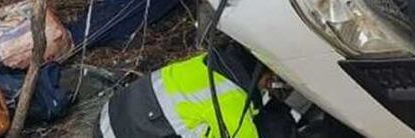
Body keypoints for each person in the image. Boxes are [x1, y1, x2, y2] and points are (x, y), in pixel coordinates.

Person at [95, 42, 297, 138]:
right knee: (274, 128)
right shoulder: (232, 102)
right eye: (272, 79)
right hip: (122, 133)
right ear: (261, 74)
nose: (272, 85)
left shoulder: (205, 62)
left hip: (109, 115)